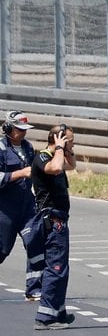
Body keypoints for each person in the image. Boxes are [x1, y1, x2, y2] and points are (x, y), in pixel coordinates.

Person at [29, 124, 78, 330]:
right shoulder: (42, 158)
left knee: (62, 270)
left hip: (60, 220)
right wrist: (59, 148)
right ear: (58, 139)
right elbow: (56, 167)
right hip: (51, 221)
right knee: (55, 268)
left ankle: (58, 312)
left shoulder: (58, 156)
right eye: (70, 140)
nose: (72, 144)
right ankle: (44, 318)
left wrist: (67, 150)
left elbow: (71, 165)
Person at [0, 111, 40, 300]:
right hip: (5, 208)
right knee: (2, 250)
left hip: (27, 207)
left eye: (25, 130)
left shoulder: (29, 147)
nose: (23, 133)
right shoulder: (0, 148)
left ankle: (34, 290)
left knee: (35, 242)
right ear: (8, 128)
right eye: (19, 129)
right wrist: (19, 173)